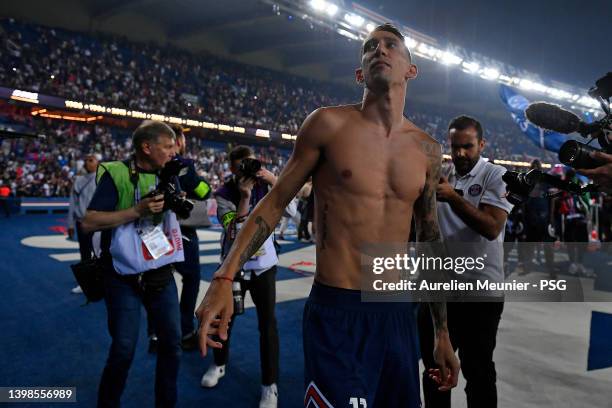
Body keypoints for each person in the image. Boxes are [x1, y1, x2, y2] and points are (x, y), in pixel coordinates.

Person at [196, 23, 459, 408]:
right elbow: (274, 202)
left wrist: (441, 332)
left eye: (390, 45)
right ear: (360, 74)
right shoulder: (327, 124)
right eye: (370, 47)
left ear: (411, 69)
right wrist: (225, 274)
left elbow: (429, 238)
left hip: (397, 311)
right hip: (338, 309)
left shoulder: (428, 149)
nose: (379, 50)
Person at [82, 121, 183, 408]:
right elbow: (89, 222)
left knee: (172, 346)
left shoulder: (169, 174)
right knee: (124, 349)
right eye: (167, 146)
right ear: (146, 147)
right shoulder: (116, 173)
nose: (173, 152)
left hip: (160, 271)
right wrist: (136, 210)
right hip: (121, 275)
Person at [419, 115, 513, 408]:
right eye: (455, 146)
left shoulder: (496, 175)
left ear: (481, 144)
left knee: (478, 371)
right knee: (435, 371)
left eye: (468, 146)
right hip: (440, 290)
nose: (460, 153)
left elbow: (491, 227)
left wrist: (453, 197)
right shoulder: (442, 174)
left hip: (481, 291)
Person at [200, 145, 280, 408]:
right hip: (234, 265)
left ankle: (270, 384)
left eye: (249, 165)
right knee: (226, 318)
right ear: (232, 169)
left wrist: (275, 182)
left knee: (267, 324)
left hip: (264, 265)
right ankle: (219, 364)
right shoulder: (224, 193)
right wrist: (245, 197)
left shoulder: (266, 184)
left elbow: (292, 204)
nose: (246, 172)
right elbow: (234, 231)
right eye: (240, 168)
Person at [147, 124, 211, 353]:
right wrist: (199, 182)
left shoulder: (149, 162)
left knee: (156, 279)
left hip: (152, 229)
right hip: (181, 229)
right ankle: (185, 330)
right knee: (192, 278)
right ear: (179, 141)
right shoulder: (184, 164)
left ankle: (154, 333)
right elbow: (205, 192)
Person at [67, 153, 99, 294]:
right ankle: (86, 283)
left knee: (100, 252)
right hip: (82, 222)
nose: (87, 162)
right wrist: (70, 224)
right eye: (86, 160)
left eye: (91, 160)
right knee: (85, 252)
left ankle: (101, 281)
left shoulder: (103, 178)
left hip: (99, 222)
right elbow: (72, 204)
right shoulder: (78, 180)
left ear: (98, 162)